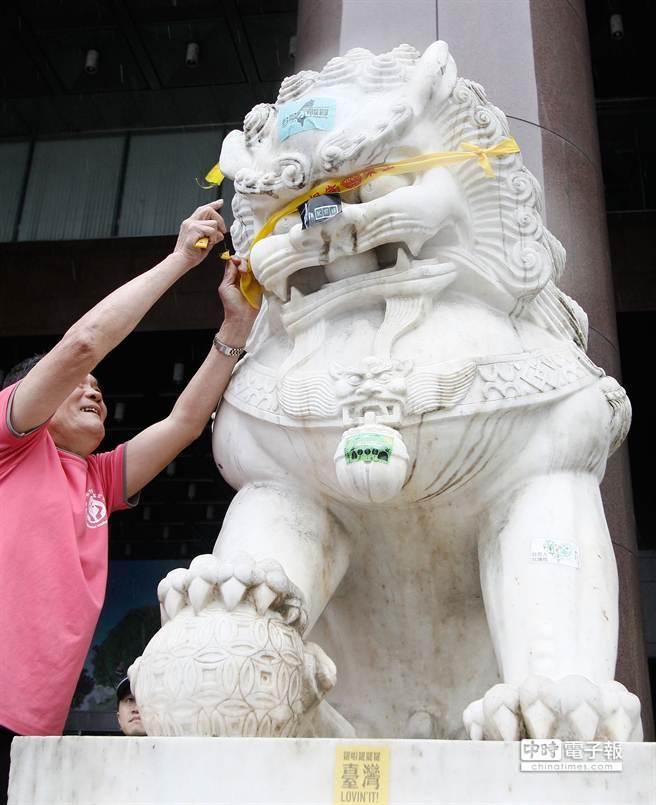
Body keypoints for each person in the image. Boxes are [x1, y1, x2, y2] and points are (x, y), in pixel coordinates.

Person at [0, 199, 257, 803]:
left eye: (97, 390)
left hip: (33, 729)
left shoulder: (98, 480)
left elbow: (185, 422)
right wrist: (178, 261)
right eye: (77, 386)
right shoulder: (12, 445)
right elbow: (84, 344)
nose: (92, 388)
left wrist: (236, 329)